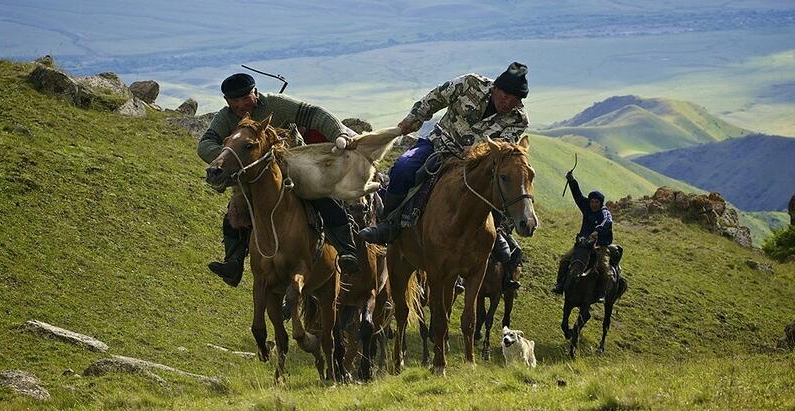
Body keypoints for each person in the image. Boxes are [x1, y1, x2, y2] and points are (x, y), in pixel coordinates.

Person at [359, 62, 531, 290]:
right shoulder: (470, 83)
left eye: (515, 100)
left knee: (497, 188)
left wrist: (477, 152)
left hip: (475, 162)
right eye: (506, 96)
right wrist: (414, 118)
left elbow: (503, 150)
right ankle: (390, 224)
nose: (508, 103)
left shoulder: (519, 119)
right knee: (402, 167)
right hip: (438, 145)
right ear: (495, 89)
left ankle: (496, 233)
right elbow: (437, 97)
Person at [198, 73, 361, 286]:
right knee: (234, 212)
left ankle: (346, 250)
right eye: (234, 101)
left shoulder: (276, 103)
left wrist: (339, 133)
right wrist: (233, 157)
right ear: (227, 101)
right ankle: (233, 263)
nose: (240, 105)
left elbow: (314, 114)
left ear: (255, 93)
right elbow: (205, 143)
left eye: (244, 98)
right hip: (254, 174)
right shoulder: (225, 117)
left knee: (322, 197)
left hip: (293, 163)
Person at [552, 171, 613, 303]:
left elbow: (607, 222)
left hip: (599, 246)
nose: (594, 204)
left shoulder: (605, 213)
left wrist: (598, 231)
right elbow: (577, 195)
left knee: (604, 267)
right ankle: (560, 284)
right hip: (584, 244)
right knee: (565, 260)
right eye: (592, 201)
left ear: (601, 203)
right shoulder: (586, 207)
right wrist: (572, 180)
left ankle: (602, 293)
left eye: (597, 202)